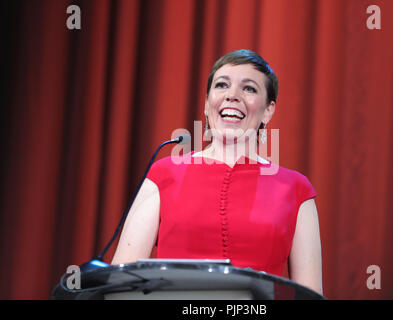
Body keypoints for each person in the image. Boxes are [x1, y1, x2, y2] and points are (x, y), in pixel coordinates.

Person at [111, 49, 323, 295]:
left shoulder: (296, 189)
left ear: (268, 111)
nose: (232, 96)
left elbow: (310, 294)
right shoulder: (164, 174)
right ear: (206, 103)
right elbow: (120, 282)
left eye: (249, 88)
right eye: (222, 85)